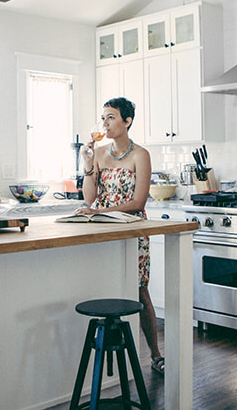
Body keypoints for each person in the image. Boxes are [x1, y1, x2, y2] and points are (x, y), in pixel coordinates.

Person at [74, 97, 165, 375]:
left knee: (139, 288)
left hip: (132, 229)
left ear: (127, 121)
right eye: (103, 117)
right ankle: (111, 362)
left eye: (111, 117)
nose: (105, 123)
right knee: (105, 284)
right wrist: (87, 164)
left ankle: (156, 354)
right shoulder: (99, 152)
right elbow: (90, 198)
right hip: (104, 228)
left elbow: (138, 203)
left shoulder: (141, 155)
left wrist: (103, 212)